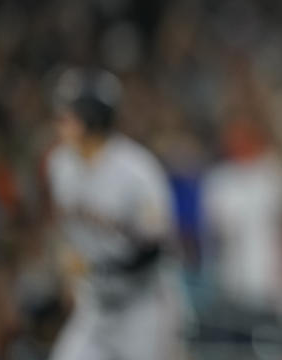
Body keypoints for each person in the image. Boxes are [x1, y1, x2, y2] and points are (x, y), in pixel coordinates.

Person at [45, 67, 189, 360]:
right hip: (96, 305)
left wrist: (96, 268)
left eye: (68, 114)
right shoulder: (59, 166)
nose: (60, 122)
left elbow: (156, 250)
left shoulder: (138, 173)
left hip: (145, 306)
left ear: (92, 118)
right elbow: (68, 229)